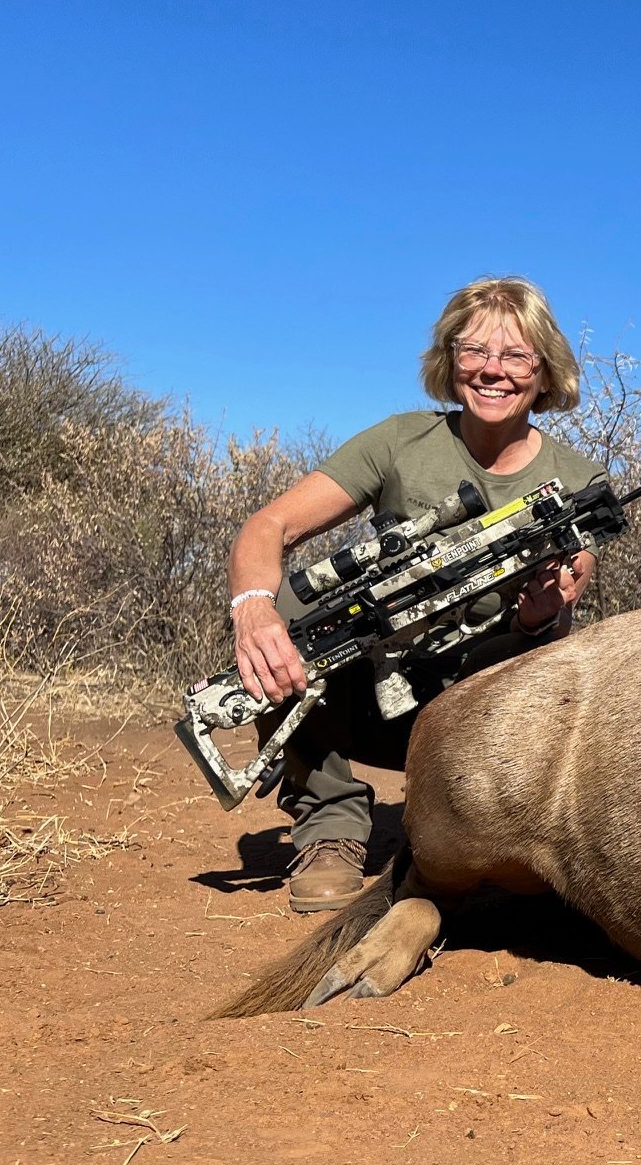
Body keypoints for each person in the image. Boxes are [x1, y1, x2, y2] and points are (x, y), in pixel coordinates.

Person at [228, 276, 605, 911]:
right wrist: (253, 612)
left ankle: (484, 831)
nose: (493, 371)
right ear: (449, 361)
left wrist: (545, 618)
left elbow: (558, 628)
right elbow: (269, 527)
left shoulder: (577, 482)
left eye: (516, 356)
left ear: (546, 374)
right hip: (375, 692)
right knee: (287, 607)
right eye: (474, 351)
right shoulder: (400, 440)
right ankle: (330, 825)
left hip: (477, 709)